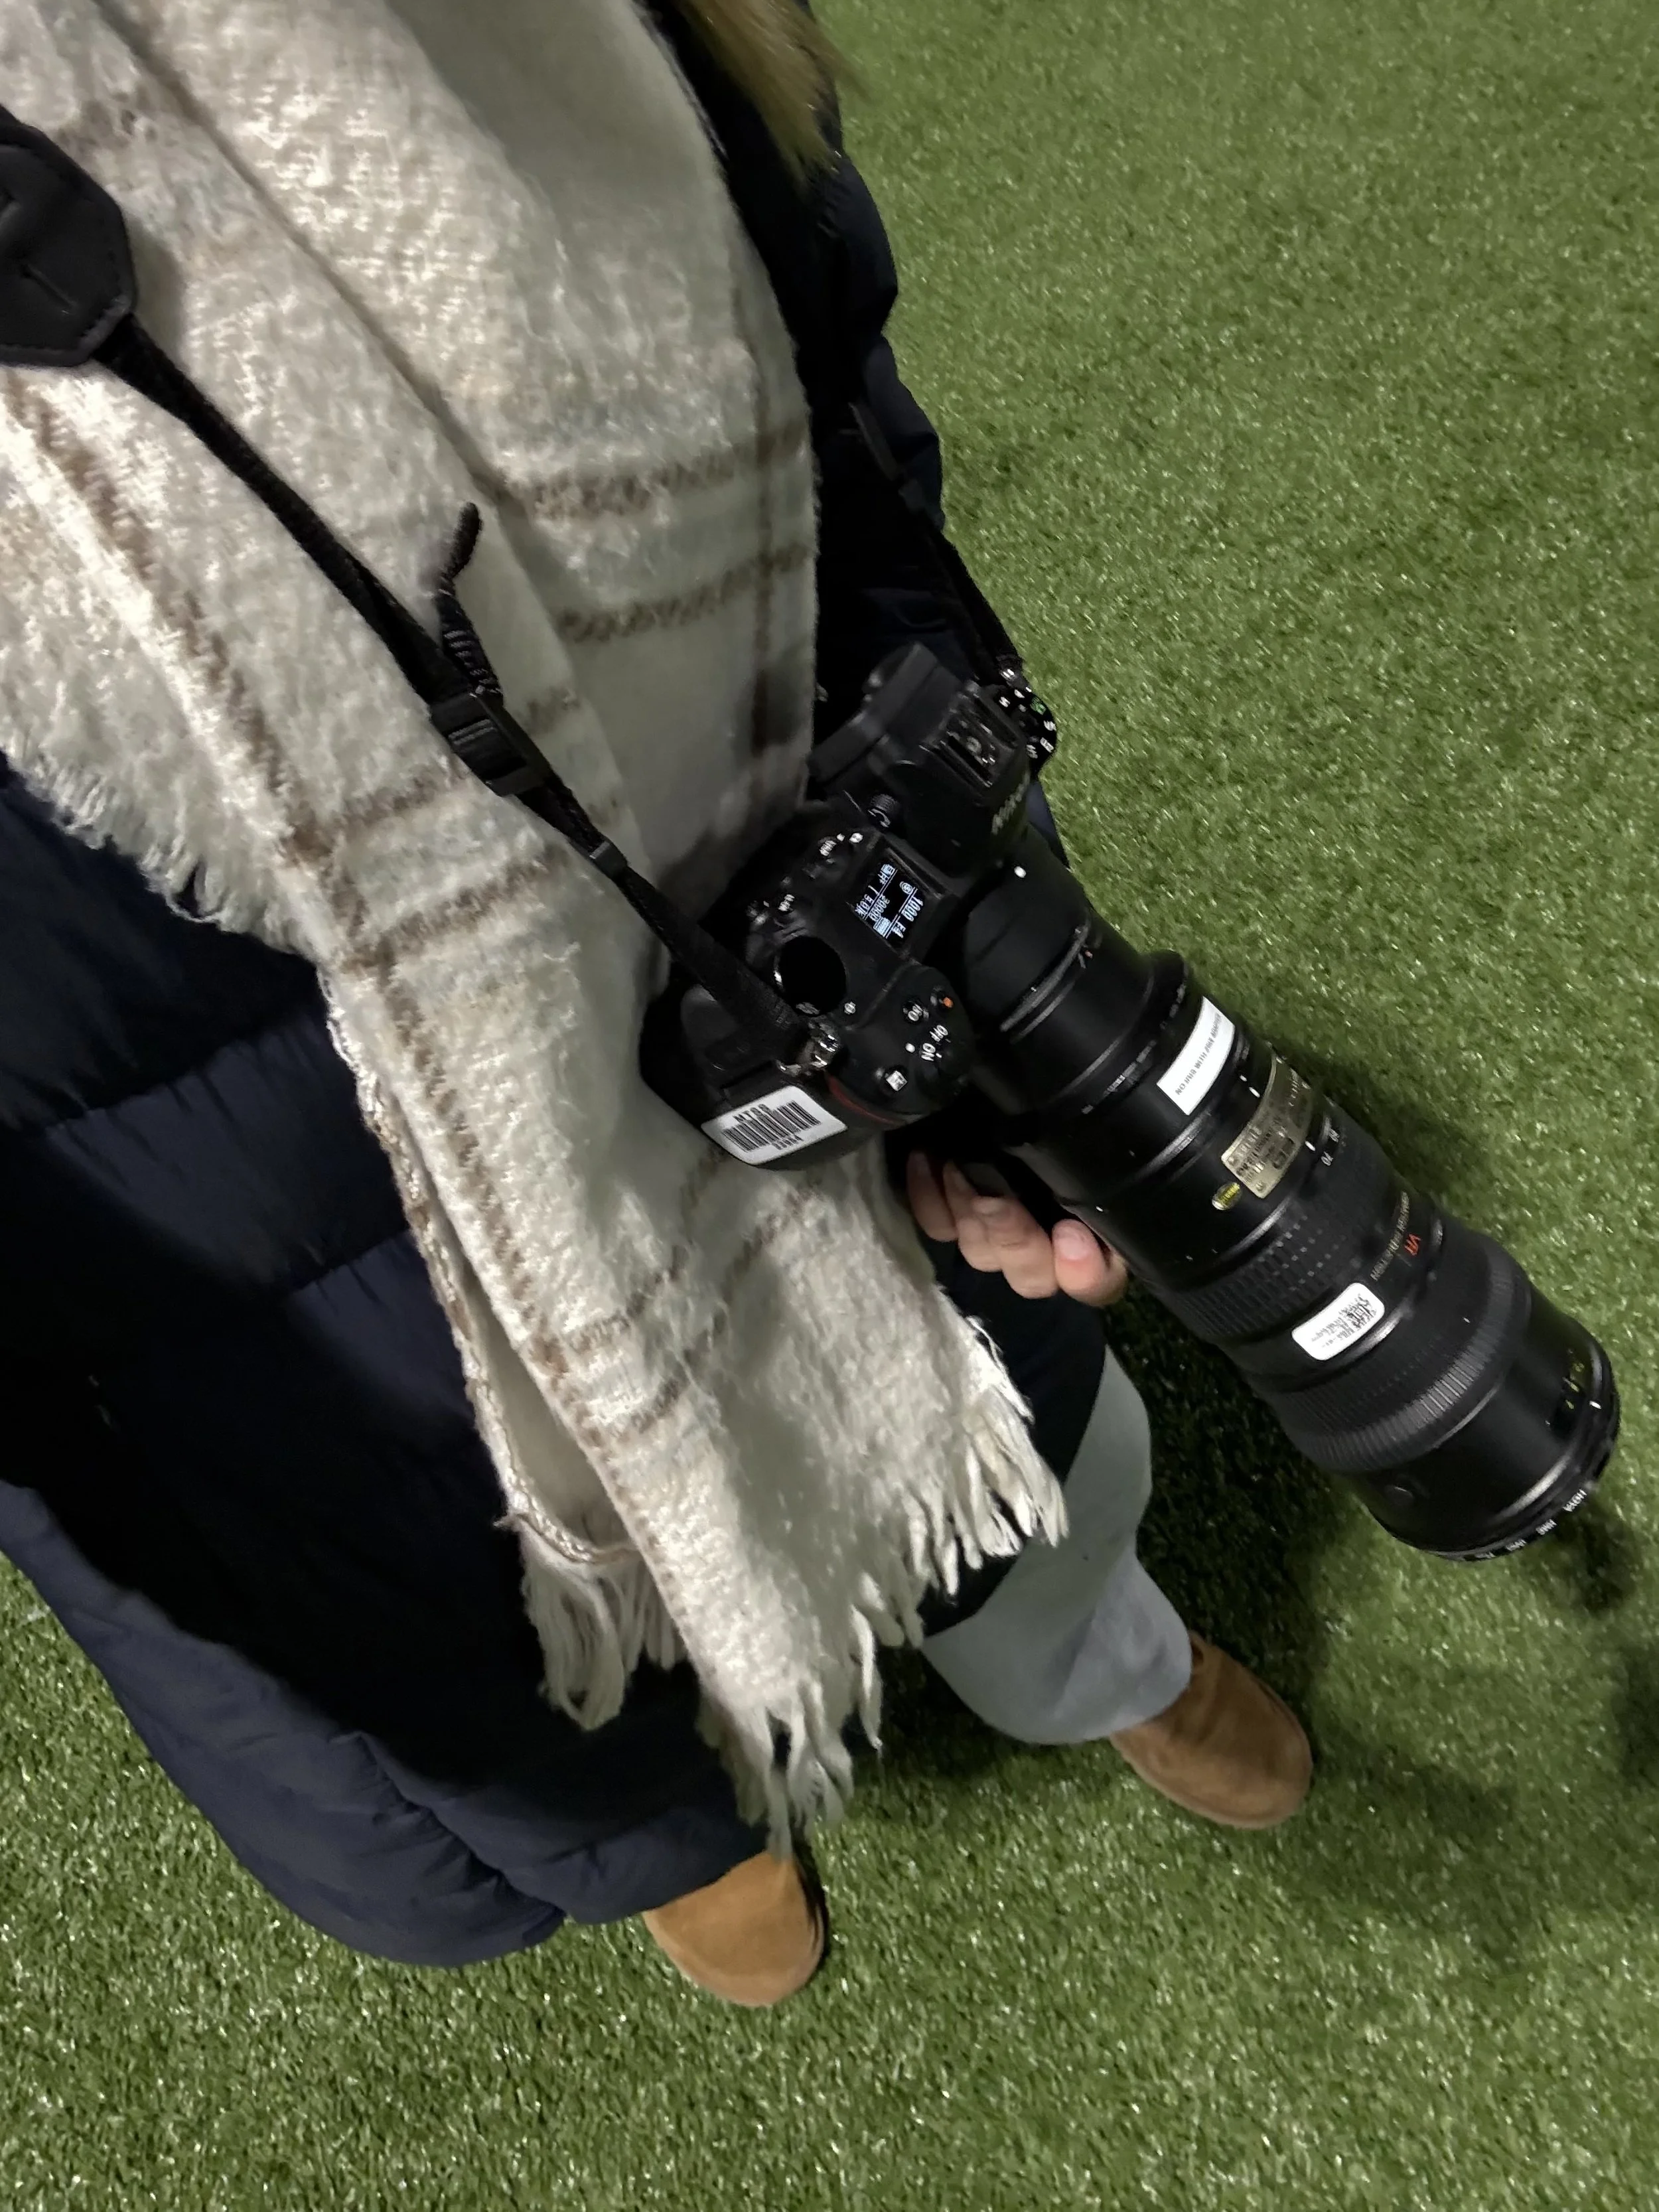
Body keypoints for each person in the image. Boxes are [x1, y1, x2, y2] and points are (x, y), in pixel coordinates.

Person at [0, 0, 1310, 2012]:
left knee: (1024, 1448)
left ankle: (1091, 1654)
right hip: (252, 1284)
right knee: (533, 1674)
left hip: (787, 1017)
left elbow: (830, 410)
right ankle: (691, 1834)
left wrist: (934, 900)